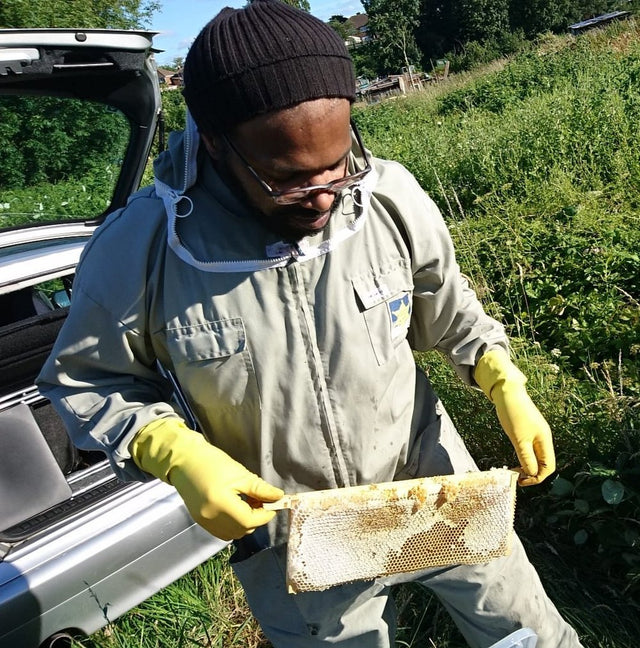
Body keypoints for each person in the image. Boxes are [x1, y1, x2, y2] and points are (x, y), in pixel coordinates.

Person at [37, 1, 584, 646]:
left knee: (526, 636)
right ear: (214, 142)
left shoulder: (385, 198)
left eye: (339, 164)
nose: (326, 195)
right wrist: (176, 454)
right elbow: (86, 381)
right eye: (289, 181)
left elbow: (449, 307)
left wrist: (501, 377)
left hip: (435, 491)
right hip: (296, 536)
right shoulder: (142, 247)